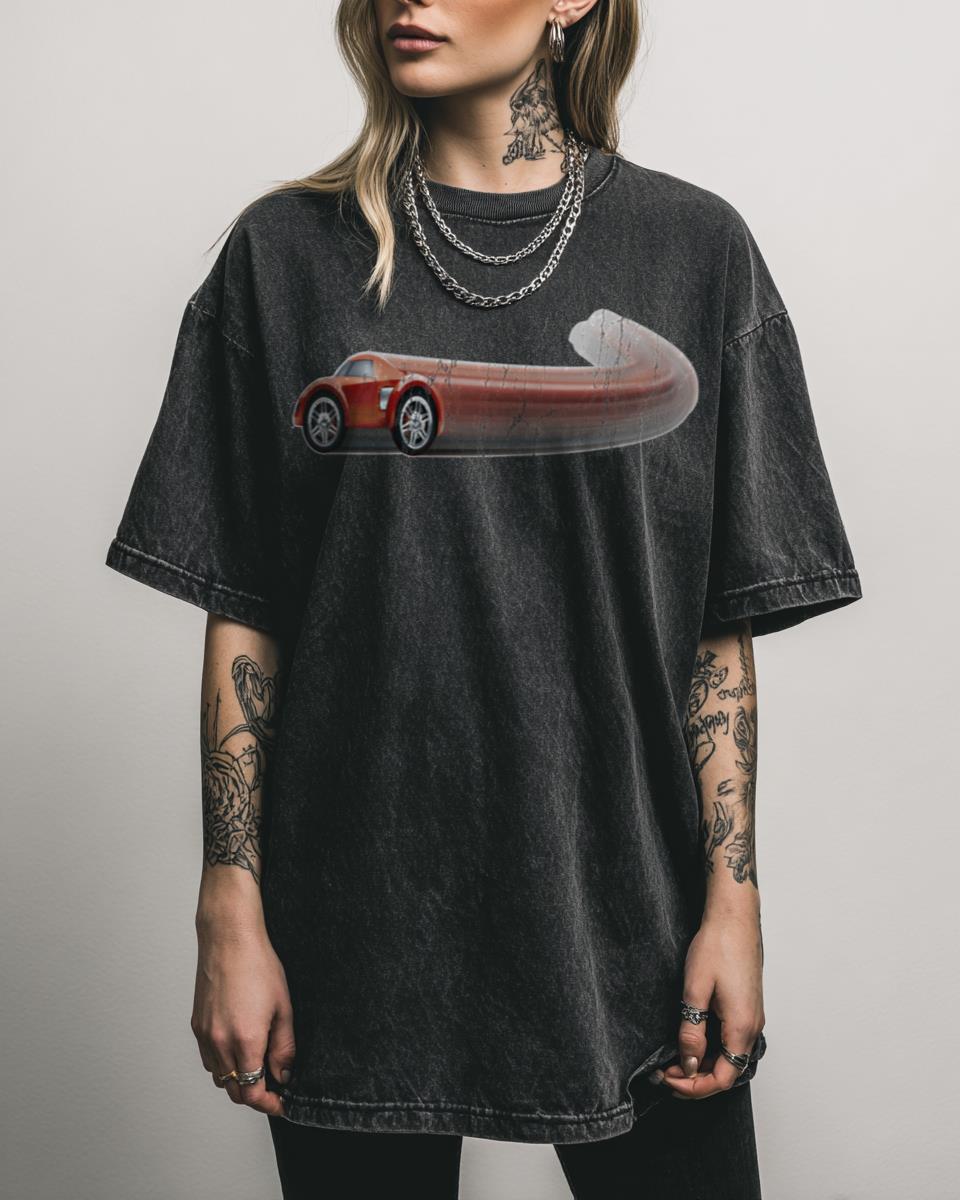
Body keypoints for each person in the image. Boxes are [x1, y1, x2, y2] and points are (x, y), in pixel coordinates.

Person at [104, 0, 863, 1196]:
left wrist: (734, 902)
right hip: (352, 928)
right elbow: (245, 609)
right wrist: (229, 904)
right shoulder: (284, 255)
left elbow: (714, 632)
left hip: (631, 919)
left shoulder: (695, 252)